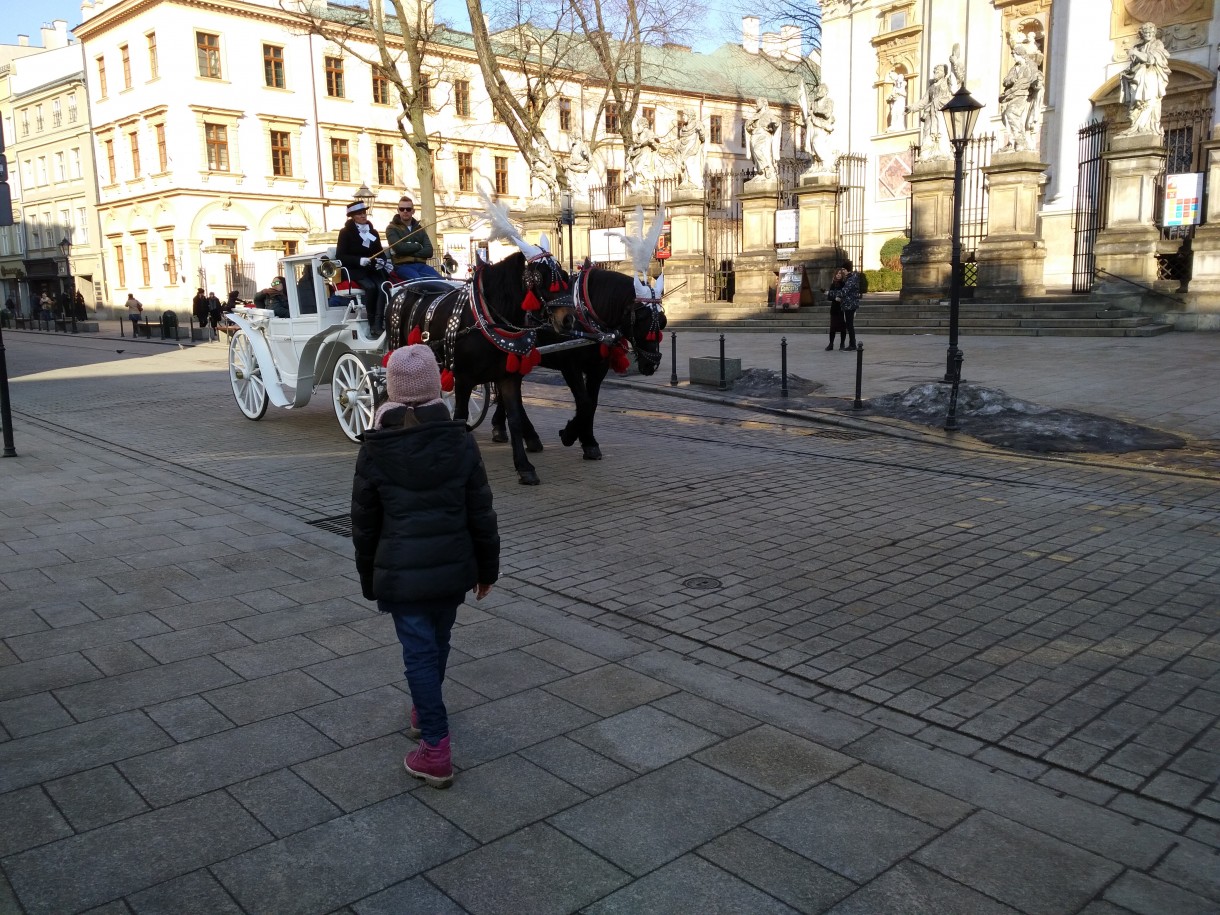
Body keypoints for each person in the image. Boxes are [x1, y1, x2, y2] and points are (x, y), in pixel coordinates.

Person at [351, 344, 499, 789]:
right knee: (438, 641)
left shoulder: (376, 447)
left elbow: (364, 523)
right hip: (452, 569)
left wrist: (369, 579)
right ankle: (425, 706)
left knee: (418, 653)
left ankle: (435, 748)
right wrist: (486, 569)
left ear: (393, 391)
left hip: (400, 573)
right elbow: (481, 511)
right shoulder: (459, 439)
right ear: (436, 386)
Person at [336, 199, 389, 335]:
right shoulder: (345, 233)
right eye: (359, 214)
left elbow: (380, 252)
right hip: (354, 271)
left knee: (382, 286)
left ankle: (379, 322)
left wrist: (381, 261)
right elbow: (340, 256)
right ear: (353, 217)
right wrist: (359, 260)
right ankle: (372, 324)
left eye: (364, 213)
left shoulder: (373, 232)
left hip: (372, 269)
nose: (363, 216)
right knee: (371, 287)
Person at [1118, 22, 1170, 138]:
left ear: (1154, 33)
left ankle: (1144, 126)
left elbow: (1151, 59)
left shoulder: (1157, 44)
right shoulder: (1139, 47)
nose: (1148, 34)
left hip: (1150, 77)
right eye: (1145, 32)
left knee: (1149, 101)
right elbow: (1134, 65)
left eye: (1150, 32)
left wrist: (1135, 53)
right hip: (1139, 78)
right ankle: (1136, 126)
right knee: (1136, 103)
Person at [384, 197, 441, 282]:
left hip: (422, 265)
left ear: (413, 211)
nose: (405, 211)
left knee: (443, 282)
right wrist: (418, 246)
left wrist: (407, 251)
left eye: (408, 209)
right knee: (419, 283)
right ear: (398, 210)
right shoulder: (392, 228)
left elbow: (429, 251)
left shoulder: (420, 229)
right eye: (402, 209)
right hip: (402, 266)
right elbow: (399, 248)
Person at [911, 64, 954, 159]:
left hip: (942, 111)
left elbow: (957, 79)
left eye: (938, 71)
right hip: (930, 113)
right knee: (928, 132)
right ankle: (926, 155)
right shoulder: (931, 87)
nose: (935, 73)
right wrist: (912, 108)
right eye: (935, 71)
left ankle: (943, 153)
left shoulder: (947, 83)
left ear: (944, 73)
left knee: (942, 130)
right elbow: (924, 101)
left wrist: (954, 61)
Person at [825, 261, 861, 350]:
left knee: (849, 325)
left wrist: (830, 293)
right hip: (848, 304)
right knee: (849, 325)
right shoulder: (850, 278)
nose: (843, 271)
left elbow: (844, 292)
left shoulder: (851, 278)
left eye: (844, 269)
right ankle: (852, 344)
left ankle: (852, 345)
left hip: (850, 305)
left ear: (847, 269)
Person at [745, 97, 780, 179]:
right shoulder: (755, 116)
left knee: (758, 150)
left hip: (763, 135)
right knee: (755, 155)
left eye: (758, 102)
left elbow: (777, 123)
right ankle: (761, 172)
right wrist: (751, 122)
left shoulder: (769, 115)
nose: (756, 104)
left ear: (764, 103)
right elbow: (747, 127)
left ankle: (766, 168)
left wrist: (774, 123)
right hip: (754, 136)